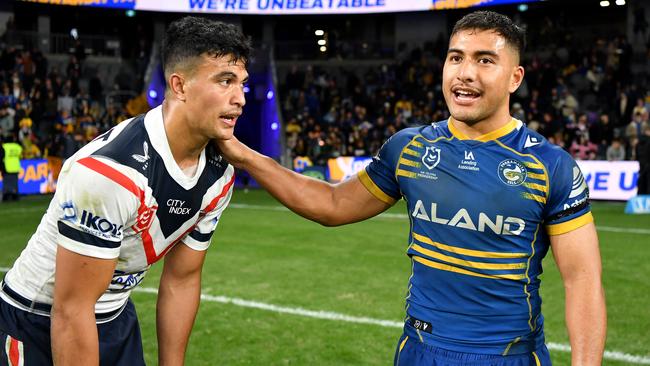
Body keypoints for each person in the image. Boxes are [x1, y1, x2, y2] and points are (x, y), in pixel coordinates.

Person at [217, 11, 606, 365]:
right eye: (456, 58)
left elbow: (583, 282)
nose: (465, 73)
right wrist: (244, 155)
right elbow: (333, 203)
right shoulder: (410, 148)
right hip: (419, 352)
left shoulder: (549, 165)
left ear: (515, 78)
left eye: (484, 60)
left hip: (507, 355)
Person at [0, 16, 250, 365]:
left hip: (116, 316)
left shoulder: (219, 173)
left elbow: (182, 278)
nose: (239, 98)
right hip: (38, 318)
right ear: (179, 86)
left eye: (241, 83)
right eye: (225, 81)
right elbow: (72, 309)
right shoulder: (110, 172)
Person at [1, 133, 22, 201]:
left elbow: (1, 156)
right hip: (15, 167)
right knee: (15, 183)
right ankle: (15, 196)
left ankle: (6, 196)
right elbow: (20, 154)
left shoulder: (4, 146)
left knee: (7, 183)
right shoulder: (17, 146)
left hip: (7, 167)